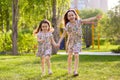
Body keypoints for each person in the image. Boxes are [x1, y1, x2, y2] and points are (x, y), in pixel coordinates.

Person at [57, 9, 102, 76]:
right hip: (71, 41)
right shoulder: (68, 25)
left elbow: (87, 19)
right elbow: (64, 34)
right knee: (70, 56)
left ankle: (75, 71)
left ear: (75, 15)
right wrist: (59, 42)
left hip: (78, 41)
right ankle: (69, 69)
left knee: (76, 54)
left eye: (72, 15)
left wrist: (95, 17)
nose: (71, 16)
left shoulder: (79, 21)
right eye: (69, 16)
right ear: (67, 18)